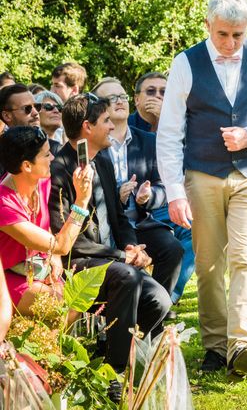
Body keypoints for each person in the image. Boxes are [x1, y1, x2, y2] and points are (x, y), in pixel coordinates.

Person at [157, 0, 247, 377]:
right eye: (223, 34)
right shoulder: (185, 63)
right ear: (208, 25)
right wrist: (173, 192)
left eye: (238, 35)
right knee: (207, 264)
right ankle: (215, 346)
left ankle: (242, 345)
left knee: (246, 258)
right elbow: (169, 133)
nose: (231, 43)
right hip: (202, 175)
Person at [49, 94, 171, 383]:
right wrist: (121, 257)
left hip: (114, 259)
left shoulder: (101, 160)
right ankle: (115, 376)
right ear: (88, 127)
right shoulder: (58, 171)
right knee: (127, 277)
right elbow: (69, 242)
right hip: (78, 262)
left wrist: (131, 246)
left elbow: (118, 216)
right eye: (106, 121)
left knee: (160, 301)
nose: (113, 126)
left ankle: (110, 350)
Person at [92, 77, 183, 297]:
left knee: (173, 249)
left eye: (122, 96)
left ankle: (155, 308)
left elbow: (164, 186)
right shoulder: (93, 144)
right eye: (111, 98)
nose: (119, 101)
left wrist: (148, 196)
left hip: (140, 221)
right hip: (106, 226)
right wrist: (117, 197)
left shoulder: (148, 141)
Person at [0, 126, 93, 316]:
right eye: (46, 154)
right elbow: (61, 245)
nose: (52, 158)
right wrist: (81, 202)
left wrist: (55, 259)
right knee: (68, 309)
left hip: (41, 267)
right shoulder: (4, 205)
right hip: (11, 276)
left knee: (76, 305)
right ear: (27, 165)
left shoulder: (41, 179)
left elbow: (45, 228)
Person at [129, 72, 194, 306]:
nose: (157, 96)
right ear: (136, 99)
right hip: (136, 206)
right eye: (150, 91)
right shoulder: (124, 126)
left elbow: (185, 166)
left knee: (192, 229)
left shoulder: (181, 127)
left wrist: (160, 124)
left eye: (163, 92)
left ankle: (167, 297)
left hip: (170, 200)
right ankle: (151, 298)